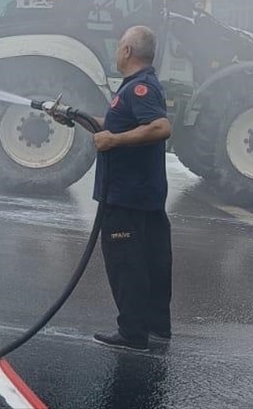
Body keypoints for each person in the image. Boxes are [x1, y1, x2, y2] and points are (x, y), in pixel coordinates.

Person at [90, 25, 172, 352]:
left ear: (126, 51)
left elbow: (160, 127)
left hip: (126, 195)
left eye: (118, 46)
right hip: (145, 194)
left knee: (127, 264)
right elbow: (122, 123)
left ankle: (132, 333)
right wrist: (80, 119)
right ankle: (156, 327)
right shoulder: (141, 87)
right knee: (153, 261)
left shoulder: (139, 89)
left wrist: (113, 140)